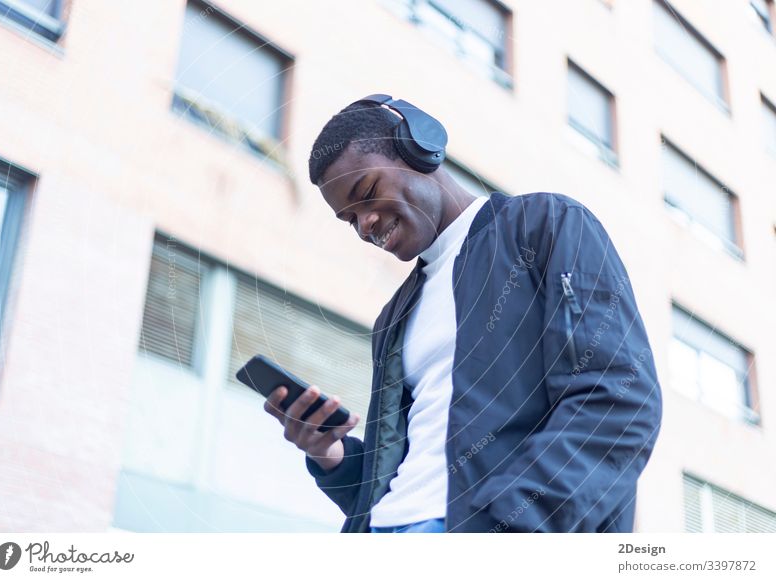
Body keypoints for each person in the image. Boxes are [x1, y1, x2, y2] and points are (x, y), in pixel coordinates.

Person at [263, 95, 663, 533]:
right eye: (349, 219)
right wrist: (331, 457)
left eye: (368, 194)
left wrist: (513, 526)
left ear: (420, 149)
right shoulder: (394, 317)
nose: (365, 225)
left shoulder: (545, 225)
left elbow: (620, 399)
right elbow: (404, 473)